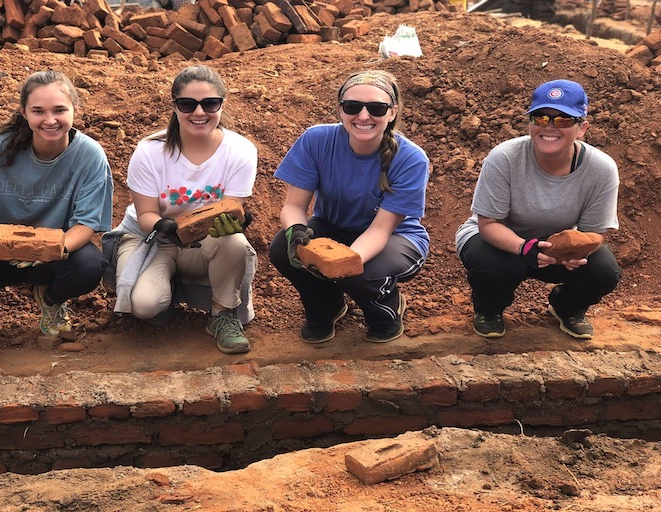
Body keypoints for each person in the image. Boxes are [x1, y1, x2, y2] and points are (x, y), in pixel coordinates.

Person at [0, 70, 114, 369]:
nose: (50, 120)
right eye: (38, 111)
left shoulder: (90, 155)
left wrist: (52, 251)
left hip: (48, 262)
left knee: (90, 264)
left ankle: (51, 300)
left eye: (59, 110)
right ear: (24, 113)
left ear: (75, 110)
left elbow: (87, 223)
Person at [101, 65, 257, 355]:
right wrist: (165, 227)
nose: (199, 113)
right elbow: (146, 214)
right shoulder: (150, 151)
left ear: (222, 104)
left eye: (210, 103)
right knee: (145, 305)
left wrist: (237, 220)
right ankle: (166, 295)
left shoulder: (240, 150)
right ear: (174, 106)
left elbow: (230, 209)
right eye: (188, 104)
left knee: (234, 242)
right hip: (154, 238)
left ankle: (222, 315)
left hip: (205, 242)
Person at [268, 70, 430, 344]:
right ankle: (327, 307)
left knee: (356, 273)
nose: (364, 116)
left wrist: (339, 264)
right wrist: (296, 232)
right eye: (353, 107)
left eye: (376, 108)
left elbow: (380, 231)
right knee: (283, 250)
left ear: (392, 112)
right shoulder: (316, 140)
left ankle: (387, 309)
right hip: (333, 227)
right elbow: (294, 206)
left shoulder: (411, 159)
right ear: (340, 110)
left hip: (395, 238)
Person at [455, 79, 621, 339]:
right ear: (531, 123)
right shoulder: (505, 157)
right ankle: (489, 309)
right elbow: (488, 224)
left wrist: (573, 252)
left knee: (603, 270)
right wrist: (524, 248)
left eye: (564, 120)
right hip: (500, 240)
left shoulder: (601, 169)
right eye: (541, 118)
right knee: (495, 266)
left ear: (582, 128)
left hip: (554, 246)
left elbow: (594, 234)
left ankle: (567, 307)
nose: (550, 127)